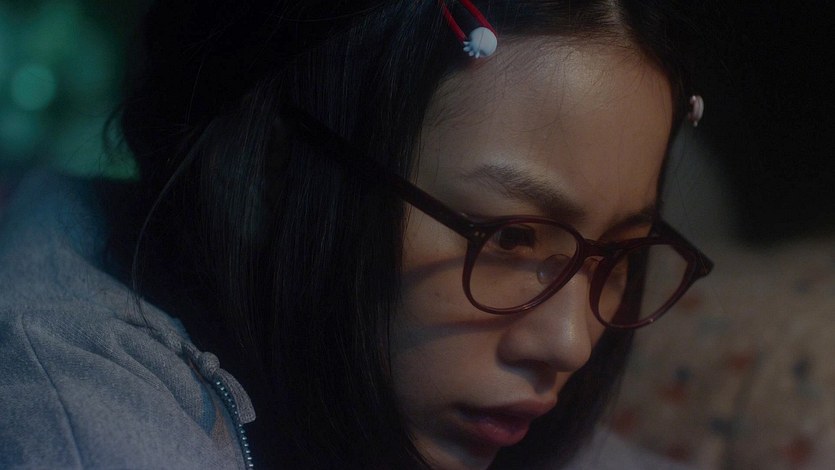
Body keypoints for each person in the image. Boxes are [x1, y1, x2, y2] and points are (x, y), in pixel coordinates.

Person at [0, 1, 713, 469]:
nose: (572, 344)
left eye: (620, 254)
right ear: (266, 171)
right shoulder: (76, 417)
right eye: (511, 238)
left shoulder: (424, 397)